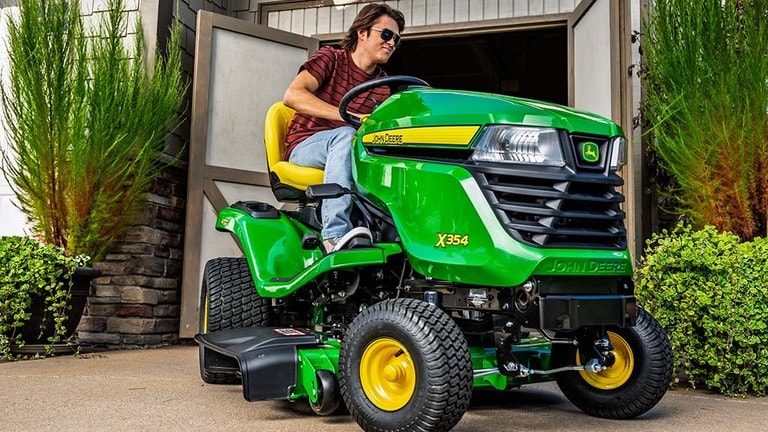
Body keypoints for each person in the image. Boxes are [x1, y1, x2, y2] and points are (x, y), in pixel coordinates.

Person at [282, 3, 404, 253]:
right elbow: (293, 95)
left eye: (397, 39)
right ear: (362, 31)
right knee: (347, 135)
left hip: (349, 149)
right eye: (387, 34)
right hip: (306, 145)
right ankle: (334, 234)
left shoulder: (383, 86)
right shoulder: (331, 58)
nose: (392, 43)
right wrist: (348, 116)